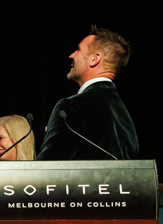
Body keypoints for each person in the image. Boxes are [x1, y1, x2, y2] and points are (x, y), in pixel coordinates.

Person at [37, 26, 138, 161]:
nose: (71, 55)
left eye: (78, 50)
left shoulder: (72, 107)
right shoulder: (125, 117)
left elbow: (49, 167)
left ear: (94, 59)